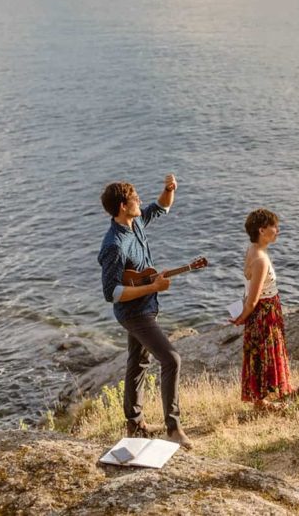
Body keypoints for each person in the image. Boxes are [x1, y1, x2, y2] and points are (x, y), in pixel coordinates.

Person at [97, 174, 192, 449]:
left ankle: (134, 423)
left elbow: (161, 207)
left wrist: (168, 190)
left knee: (137, 363)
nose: (140, 200)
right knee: (171, 359)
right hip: (133, 313)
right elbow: (111, 293)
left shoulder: (135, 222)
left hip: (147, 307)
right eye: (135, 198)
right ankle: (173, 428)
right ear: (123, 206)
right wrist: (153, 288)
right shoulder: (113, 245)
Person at [232, 208, 294, 411]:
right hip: (264, 311)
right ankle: (262, 401)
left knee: (264, 352)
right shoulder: (260, 260)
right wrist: (242, 317)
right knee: (264, 353)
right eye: (274, 227)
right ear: (261, 230)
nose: (278, 230)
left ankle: (278, 390)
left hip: (264, 309)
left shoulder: (252, 249)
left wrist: (243, 314)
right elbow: (253, 299)